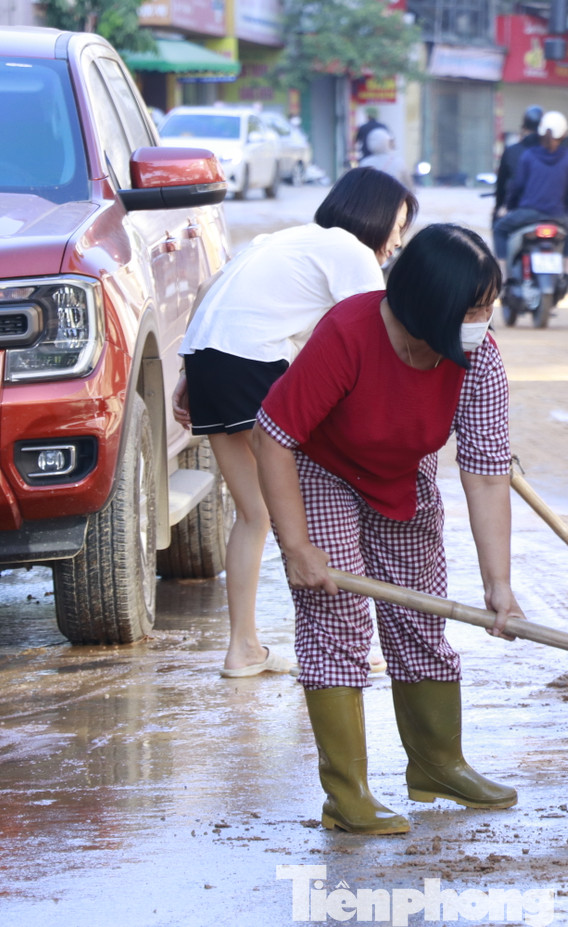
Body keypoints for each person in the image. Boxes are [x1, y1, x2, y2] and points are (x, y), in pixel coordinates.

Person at [251, 224, 523, 835]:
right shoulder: (349, 333)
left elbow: (486, 472)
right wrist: (296, 546)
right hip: (319, 469)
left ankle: (437, 765)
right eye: (472, 310)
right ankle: (347, 795)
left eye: (488, 308)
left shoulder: (478, 357)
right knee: (337, 614)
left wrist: (498, 584)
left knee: (422, 613)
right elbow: (272, 437)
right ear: (429, 304)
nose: (483, 322)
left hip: (399, 474)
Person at [172, 167, 418, 678]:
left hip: (207, 360)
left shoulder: (283, 239)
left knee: (256, 513)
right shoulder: (352, 252)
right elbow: (372, 336)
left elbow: (209, 288)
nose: (397, 242)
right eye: (397, 227)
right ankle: (342, 642)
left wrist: (185, 375)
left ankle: (243, 648)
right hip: (250, 364)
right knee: (313, 503)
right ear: (373, 217)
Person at [493, 110, 568, 281]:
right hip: (558, 215)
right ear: (564, 134)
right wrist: (565, 211)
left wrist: (508, 207)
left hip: (528, 213)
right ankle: (567, 271)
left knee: (499, 229)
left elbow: (517, 187)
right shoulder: (567, 157)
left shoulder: (529, 155)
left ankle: (502, 274)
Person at [492, 105, 543, 222]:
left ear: (524, 128)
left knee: (499, 227)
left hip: (520, 211)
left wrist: (502, 207)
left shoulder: (514, 152)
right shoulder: (556, 154)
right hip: (553, 214)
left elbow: (505, 186)